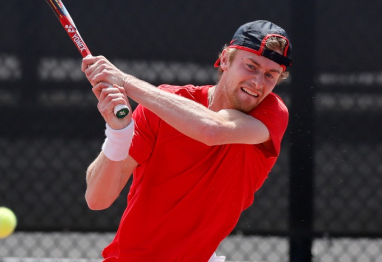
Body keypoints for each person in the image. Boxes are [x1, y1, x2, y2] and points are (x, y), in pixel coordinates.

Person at [81, 20, 293, 262]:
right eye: (251, 66)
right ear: (225, 60)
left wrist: (125, 82)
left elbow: (212, 129)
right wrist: (119, 133)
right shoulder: (160, 107)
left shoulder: (272, 113)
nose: (258, 82)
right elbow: (97, 199)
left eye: (270, 75)